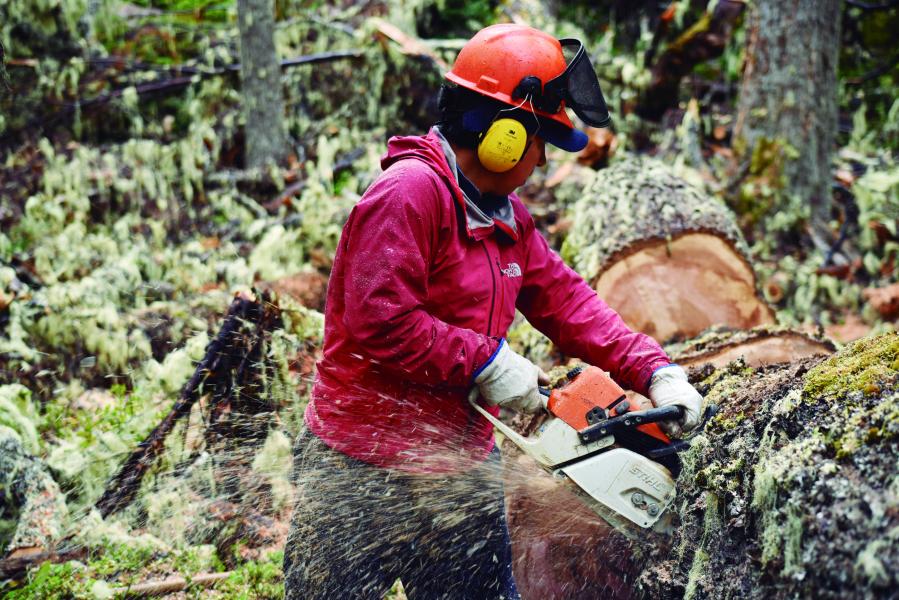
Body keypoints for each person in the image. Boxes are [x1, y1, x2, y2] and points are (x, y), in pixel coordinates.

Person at [283, 23, 703, 600]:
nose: (542, 159)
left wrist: (655, 370)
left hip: (458, 463)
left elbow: (568, 302)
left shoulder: (507, 220)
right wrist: (487, 361)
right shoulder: (409, 193)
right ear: (504, 134)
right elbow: (380, 317)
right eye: (540, 141)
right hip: (361, 461)